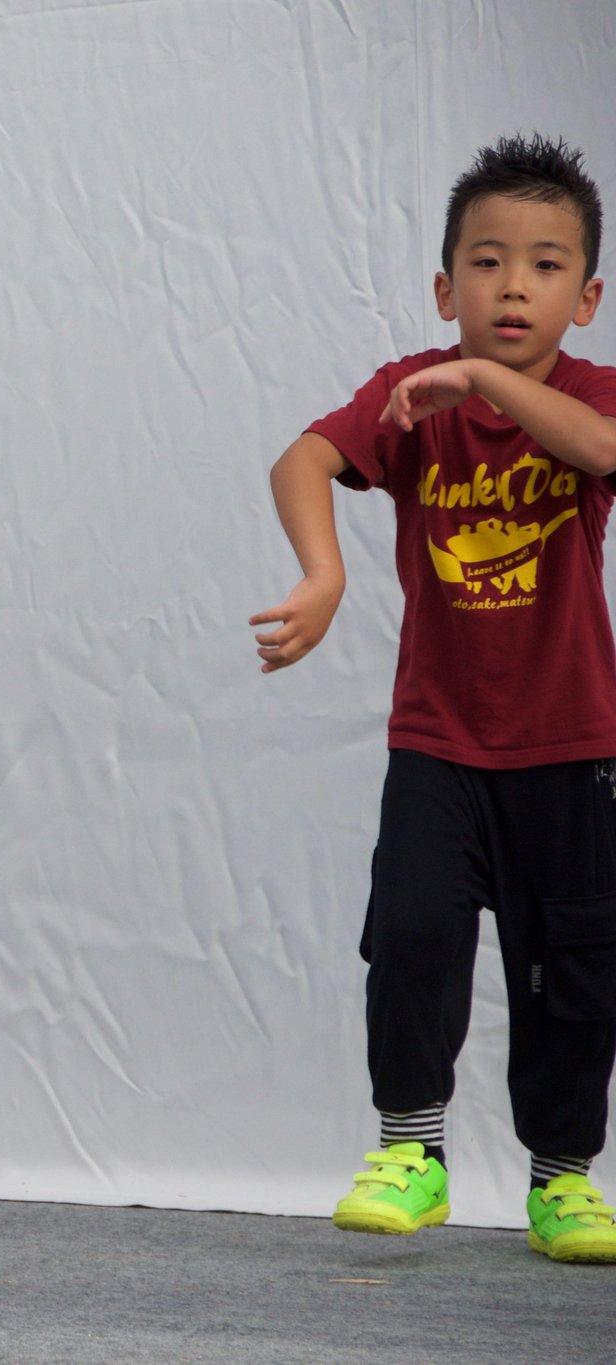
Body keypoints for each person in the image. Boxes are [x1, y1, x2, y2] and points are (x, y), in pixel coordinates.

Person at [253, 133, 616, 1264]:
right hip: (438, 740)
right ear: (445, 287)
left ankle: (563, 1179)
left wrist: (486, 382)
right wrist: (324, 573)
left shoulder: (588, 394)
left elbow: (601, 449)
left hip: (571, 746)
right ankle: (410, 1151)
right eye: (487, 261)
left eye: (545, 265)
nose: (513, 286)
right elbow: (302, 460)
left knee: (571, 970)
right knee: (410, 931)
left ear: (586, 298)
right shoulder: (409, 392)